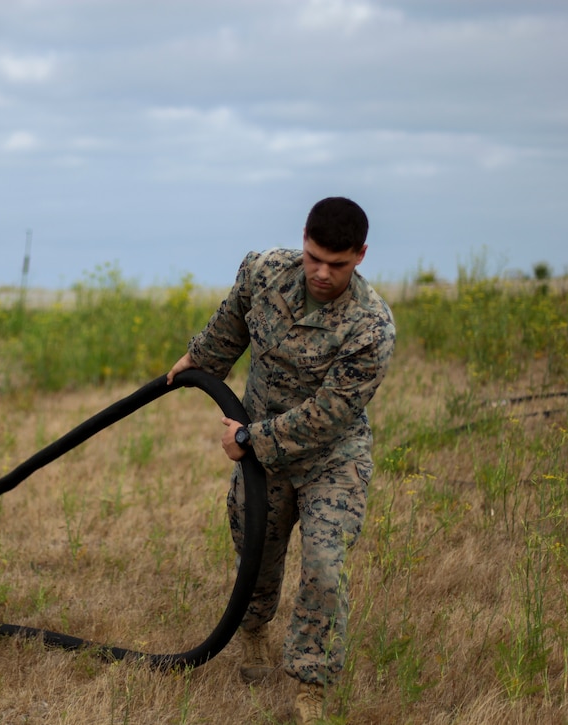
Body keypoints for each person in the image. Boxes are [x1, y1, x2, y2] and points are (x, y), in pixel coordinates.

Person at [166, 197, 395, 723]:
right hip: (260, 453)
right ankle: (252, 633)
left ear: (361, 255)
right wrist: (197, 362)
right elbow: (230, 327)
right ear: (304, 239)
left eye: (337, 264)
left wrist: (251, 437)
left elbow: (330, 414)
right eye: (314, 256)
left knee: (323, 565)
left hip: (330, 459)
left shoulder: (372, 327)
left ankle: (309, 687)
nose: (321, 272)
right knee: (255, 550)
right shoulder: (263, 271)